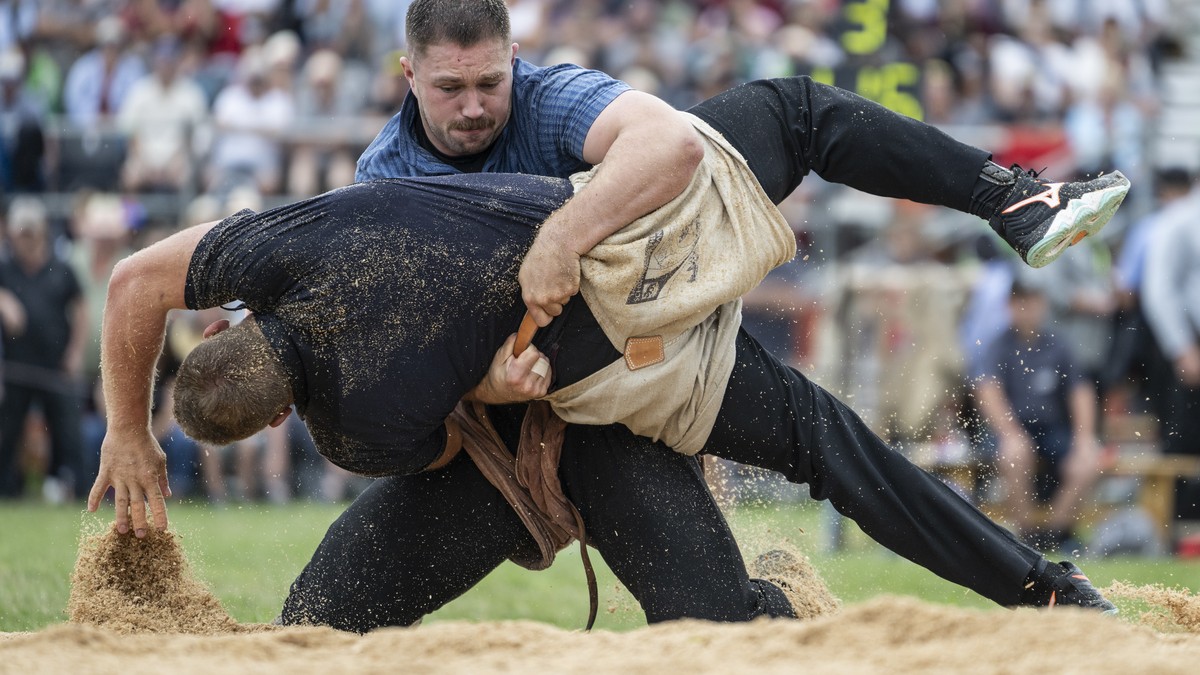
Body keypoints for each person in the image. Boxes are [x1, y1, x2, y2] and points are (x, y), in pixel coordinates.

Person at [357, 0, 1130, 331]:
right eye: (450, 89)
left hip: (640, 273)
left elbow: (671, 144)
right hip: (545, 357)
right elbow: (345, 293)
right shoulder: (379, 178)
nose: (472, 108)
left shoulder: (548, 94)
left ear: (514, 63)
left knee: (802, 113)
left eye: (489, 84)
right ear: (409, 74)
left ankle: (1016, 200)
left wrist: (561, 239)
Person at [973, 279, 1103, 551]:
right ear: (1010, 306)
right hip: (1011, 429)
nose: (1027, 309)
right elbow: (988, 391)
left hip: (1053, 430)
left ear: (1042, 305)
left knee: (1088, 461)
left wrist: (1084, 438)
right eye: (1021, 302)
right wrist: (1009, 433)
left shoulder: (1059, 345)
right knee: (1014, 454)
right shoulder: (997, 346)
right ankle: (1027, 534)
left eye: (1032, 302)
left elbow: (1080, 392)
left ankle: (1056, 532)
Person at [0, 197, 87, 499]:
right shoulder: (4, 267)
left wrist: (75, 353)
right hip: (16, 367)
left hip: (55, 366)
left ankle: (77, 490)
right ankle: (8, 490)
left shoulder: (61, 268)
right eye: (20, 234)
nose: (25, 241)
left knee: (67, 434)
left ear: (41, 233)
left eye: (30, 233)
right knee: (7, 433)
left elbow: (80, 311)